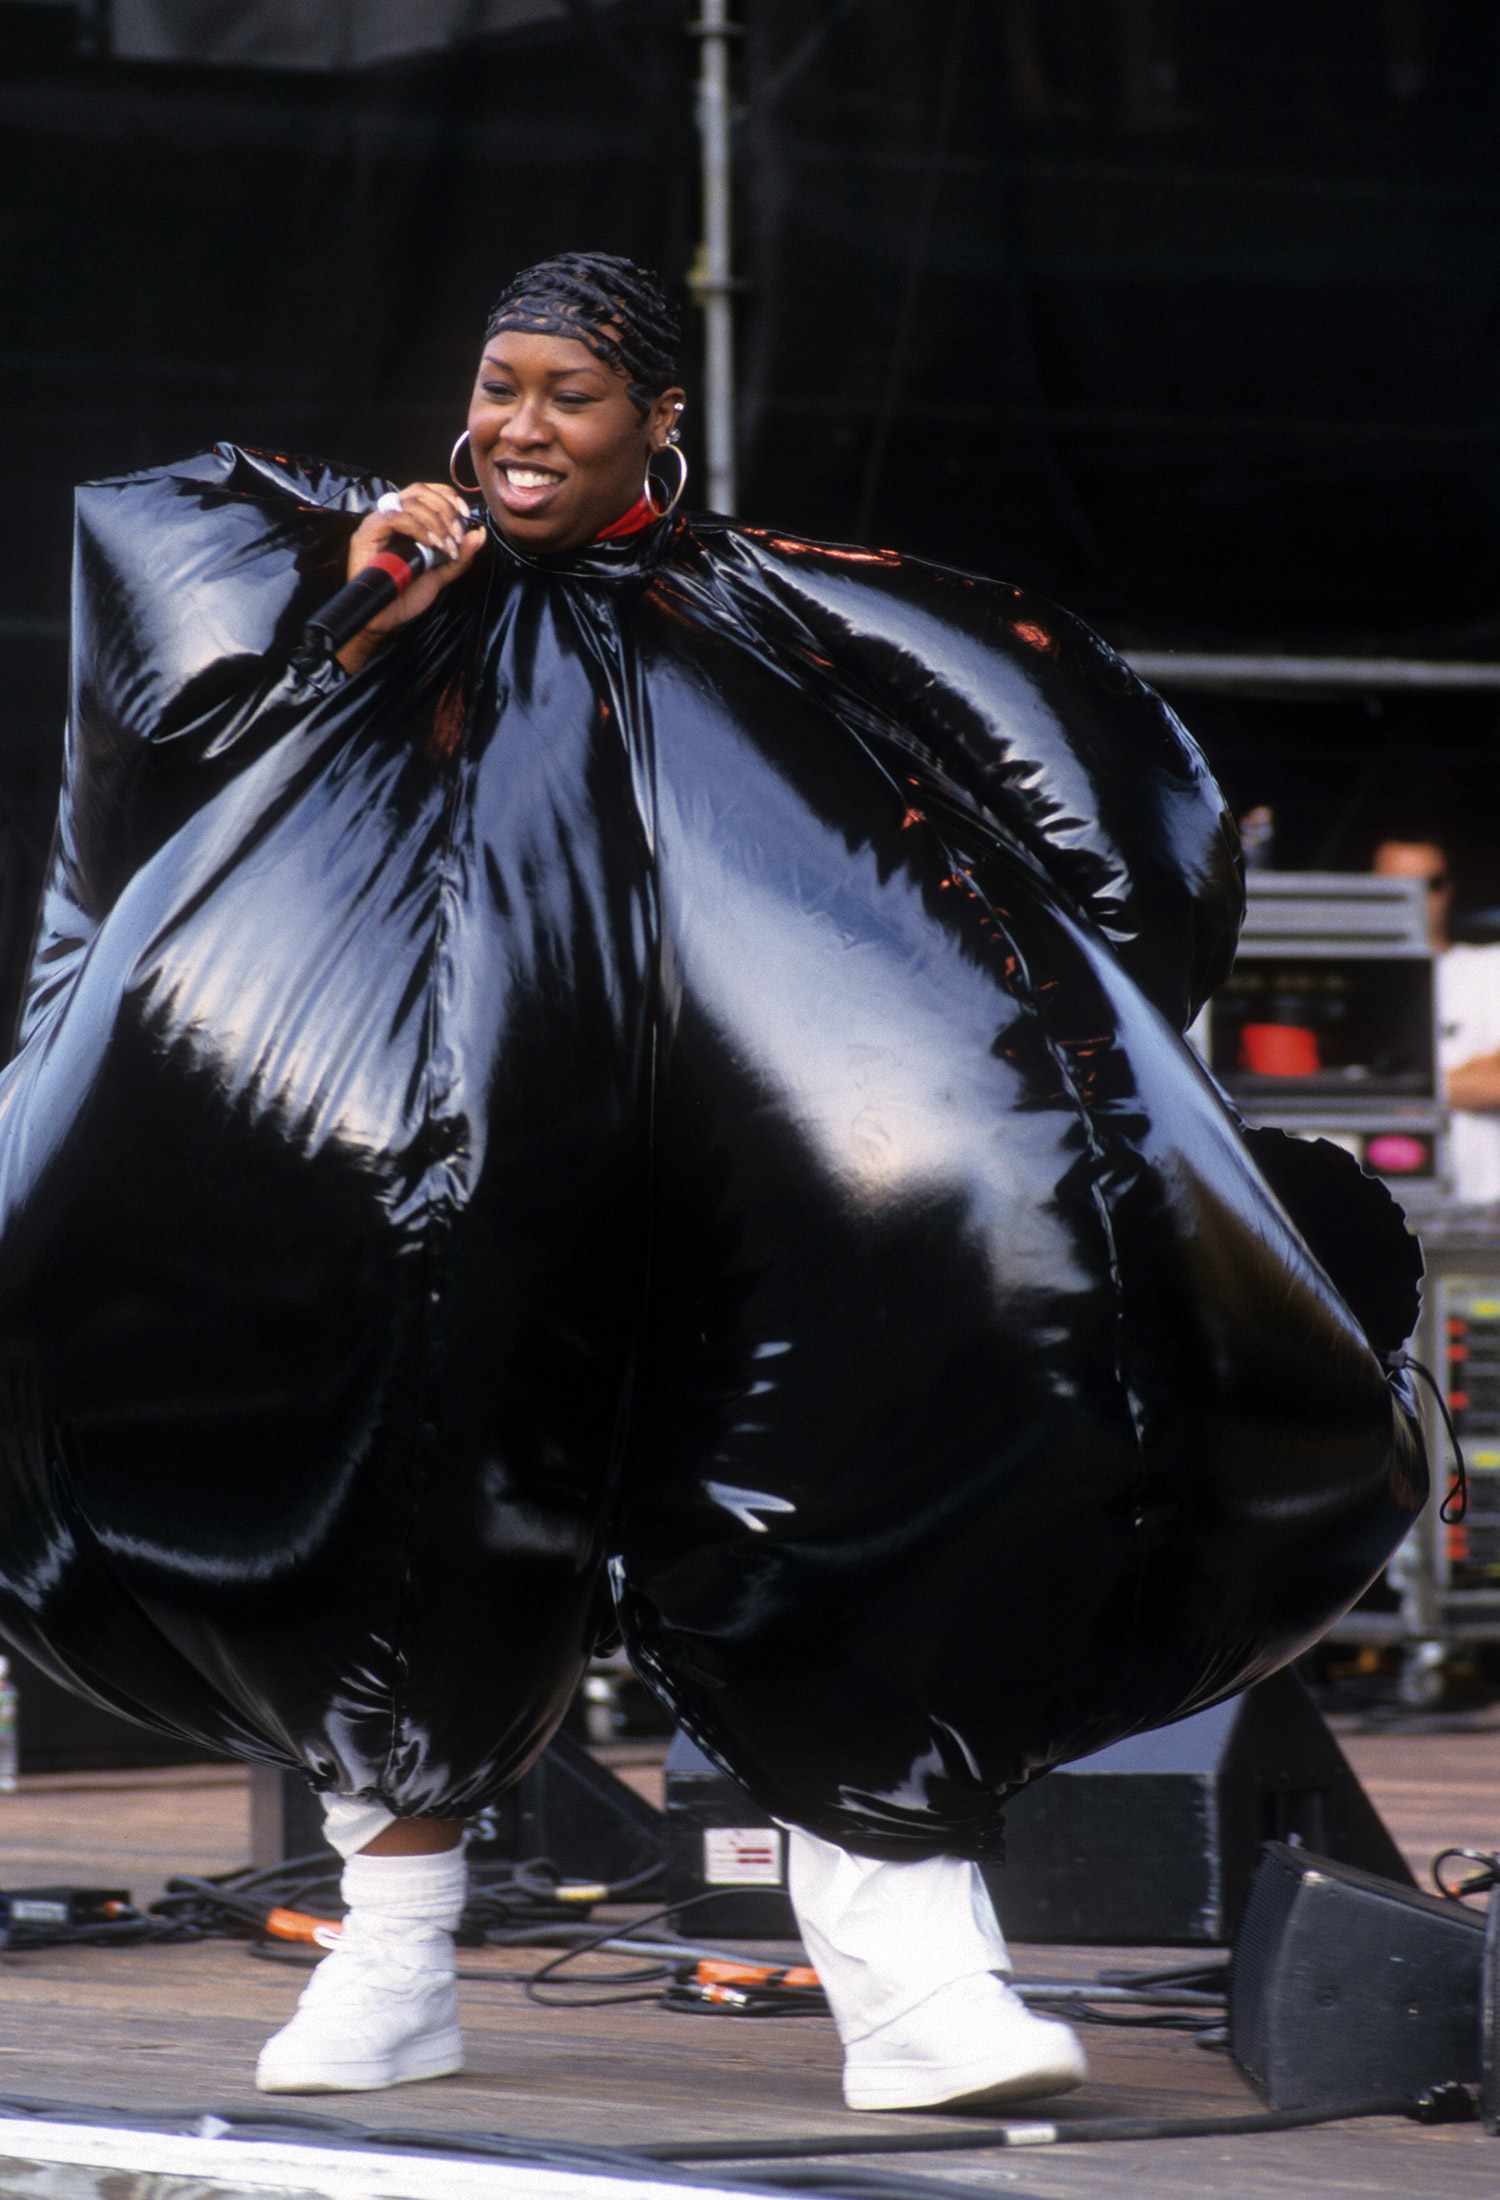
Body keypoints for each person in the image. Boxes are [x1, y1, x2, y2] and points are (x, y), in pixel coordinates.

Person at [0, 255, 1423, 2111]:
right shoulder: (386, 597)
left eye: (567, 395)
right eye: (499, 385)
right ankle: (392, 1954)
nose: (519, 426)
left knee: (864, 1446)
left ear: (659, 417)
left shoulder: (757, 620)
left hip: (747, 1141)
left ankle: (913, 1981)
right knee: (389, 1459)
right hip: (435, 1142)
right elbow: (152, 779)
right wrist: (360, 615)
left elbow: (1085, 814)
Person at [1372, 835, 1500, 1206]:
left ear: (1450, 889)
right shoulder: (1343, 982)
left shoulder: (1490, 968)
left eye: (1431, 884)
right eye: (1396, 886)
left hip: (1481, 1211)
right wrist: (1461, 1079)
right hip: (1367, 1211)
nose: (1415, 898)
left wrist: (1383, 1089)